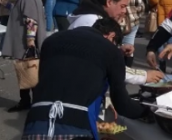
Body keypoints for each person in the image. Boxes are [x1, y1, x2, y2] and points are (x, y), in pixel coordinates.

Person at [21, 18, 149, 139]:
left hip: (34, 123)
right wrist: (145, 112)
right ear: (111, 36)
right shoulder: (110, 50)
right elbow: (122, 104)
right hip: (75, 129)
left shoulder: (51, 41)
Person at [68, 0, 163, 85]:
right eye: (122, 6)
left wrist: (118, 48)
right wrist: (144, 76)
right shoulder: (91, 22)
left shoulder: (96, 18)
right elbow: (107, 61)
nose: (124, 11)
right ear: (109, 2)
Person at [1, 0, 46, 113]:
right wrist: (6, 4)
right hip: (25, 40)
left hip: (25, 42)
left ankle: (33, 103)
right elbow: (20, 12)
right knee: (27, 71)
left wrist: (30, 40)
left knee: (29, 71)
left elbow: (31, 20)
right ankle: (27, 101)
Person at [115, 0, 145, 67]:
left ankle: (118, 66)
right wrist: (136, 15)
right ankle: (127, 68)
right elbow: (141, 7)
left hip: (118, 21)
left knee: (116, 45)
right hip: (133, 21)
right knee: (129, 45)